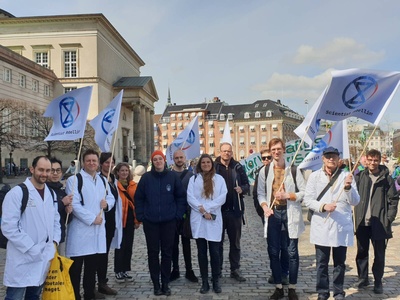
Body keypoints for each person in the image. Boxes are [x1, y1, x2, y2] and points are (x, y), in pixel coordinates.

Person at [304, 147, 360, 300]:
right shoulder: (315, 176)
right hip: (322, 224)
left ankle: (338, 291)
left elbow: (355, 201)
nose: (331, 159)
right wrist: (323, 206)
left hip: (341, 225)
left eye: (334, 156)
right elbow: (307, 200)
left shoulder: (346, 176)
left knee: (339, 263)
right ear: (323, 158)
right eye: (328, 156)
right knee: (322, 263)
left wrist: (348, 187)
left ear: (338, 159)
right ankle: (322, 291)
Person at [2, 156, 61, 300]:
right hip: (22, 256)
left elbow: (56, 222)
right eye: (41, 169)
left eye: (48, 170)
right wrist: (30, 248)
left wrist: (54, 242)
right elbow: (9, 227)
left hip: (43, 256)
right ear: (32, 169)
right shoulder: (17, 193)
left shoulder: (51, 194)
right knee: (14, 296)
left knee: (34, 295)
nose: (44, 174)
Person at [257, 138, 306, 300]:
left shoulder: (293, 170)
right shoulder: (264, 171)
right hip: (273, 214)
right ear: (270, 152)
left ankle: (291, 286)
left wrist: (288, 195)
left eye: (279, 149)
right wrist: (265, 206)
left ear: (284, 150)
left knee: (292, 252)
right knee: (273, 250)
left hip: (290, 212)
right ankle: (278, 286)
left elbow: (304, 193)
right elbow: (260, 193)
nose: (276, 152)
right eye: (273, 150)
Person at [66, 149, 116, 300]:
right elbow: (74, 205)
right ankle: (75, 296)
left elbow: (111, 198)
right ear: (83, 162)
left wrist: (107, 205)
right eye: (88, 160)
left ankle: (89, 294)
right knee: (76, 269)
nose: (91, 163)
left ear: (97, 163)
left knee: (91, 268)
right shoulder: (75, 180)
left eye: (94, 160)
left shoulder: (102, 180)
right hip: (81, 231)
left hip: (97, 232)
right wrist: (92, 218)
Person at [135, 150, 186, 296]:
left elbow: (180, 197)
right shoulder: (146, 178)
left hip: (168, 222)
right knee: (153, 253)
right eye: (155, 159)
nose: (158, 162)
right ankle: (156, 283)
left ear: (164, 160)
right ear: (152, 162)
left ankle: (165, 283)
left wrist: (177, 215)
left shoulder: (172, 177)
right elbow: (139, 198)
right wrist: (141, 215)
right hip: (150, 222)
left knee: (167, 253)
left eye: (160, 159)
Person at [353, 149, 399, 294]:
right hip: (362, 222)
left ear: (379, 161)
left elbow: (393, 199)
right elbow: (352, 195)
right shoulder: (360, 176)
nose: (373, 163)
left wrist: (389, 218)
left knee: (379, 254)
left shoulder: (387, 179)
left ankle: (378, 281)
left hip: (380, 222)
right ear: (366, 160)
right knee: (361, 252)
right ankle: (363, 278)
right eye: (370, 160)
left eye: (376, 160)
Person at [187, 154, 227, 294]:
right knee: (201, 252)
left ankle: (215, 280)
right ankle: (204, 281)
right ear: (199, 165)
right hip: (199, 219)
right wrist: (202, 210)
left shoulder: (219, 179)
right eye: (203, 162)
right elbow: (190, 197)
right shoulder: (194, 179)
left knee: (215, 252)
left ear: (212, 164)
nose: (205, 164)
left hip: (213, 219)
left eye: (208, 162)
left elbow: (222, 197)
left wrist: (208, 208)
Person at [215, 142, 249, 282]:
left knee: (235, 243)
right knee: (218, 242)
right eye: (224, 151)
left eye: (229, 151)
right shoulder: (214, 166)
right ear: (220, 151)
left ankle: (235, 269)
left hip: (235, 211)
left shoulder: (238, 167)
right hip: (218, 212)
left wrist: (242, 189)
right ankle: (218, 270)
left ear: (232, 152)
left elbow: (247, 184)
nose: (226, 153)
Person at [170, 149, 198, 283]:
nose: (179, 160)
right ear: (173, 159)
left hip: (187, 213)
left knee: (186, 244)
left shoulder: (191, 175)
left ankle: (189, 270)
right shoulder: (168, 175)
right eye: (177, 158)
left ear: (185, 158)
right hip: (172, 214)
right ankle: (174, 270)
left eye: (181, 157)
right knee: (173, 244)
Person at [96, 152, 122, 296]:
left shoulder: (112, 178)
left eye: (112, 162)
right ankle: (99, 282)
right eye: (106, 162)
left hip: (112, 221)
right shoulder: (99, 179)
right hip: (101, 222)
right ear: (101, 164)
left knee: (105, 253)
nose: (109, 165)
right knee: (99, 253)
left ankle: (102, 281)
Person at [114, 162, 140, 283]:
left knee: (128, 246)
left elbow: (137, 202)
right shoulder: (115, 185)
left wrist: (137, 220)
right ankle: (118, 270)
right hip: (120, 218)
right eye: (122, 171)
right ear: (118, 172)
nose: (124, 173)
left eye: (126, 171)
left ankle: (125, 269)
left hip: (130, 218)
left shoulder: (133, 185)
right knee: (120, 245)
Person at [46, 157, 73, 256]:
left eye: (58, 170)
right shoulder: (44, 190)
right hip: (46, 238)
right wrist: (62, 203)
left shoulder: (62, 191)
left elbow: (67, 220)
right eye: (52, 170)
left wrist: (68, 211)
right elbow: (45, 212)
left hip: (60, 237)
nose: (55, 173)